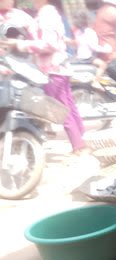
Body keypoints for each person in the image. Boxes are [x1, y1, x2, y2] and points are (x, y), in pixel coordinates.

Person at [5, 0, 86, 153]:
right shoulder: (48, 13)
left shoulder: (46, 14)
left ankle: (79, 147)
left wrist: (19, 44)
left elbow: (49, 44)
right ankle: (82, 141)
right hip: (58, 68)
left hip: (52, 70)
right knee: (69, 107)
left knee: (61, 111)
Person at [71, 10, 111, 82]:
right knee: (103, 65)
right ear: (87, 20)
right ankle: (96, 81)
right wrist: (107, 49)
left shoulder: (78, 32)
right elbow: (95, 47)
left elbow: (77, 45)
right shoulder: (89, 32)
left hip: (79, 58)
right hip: (88, 58)